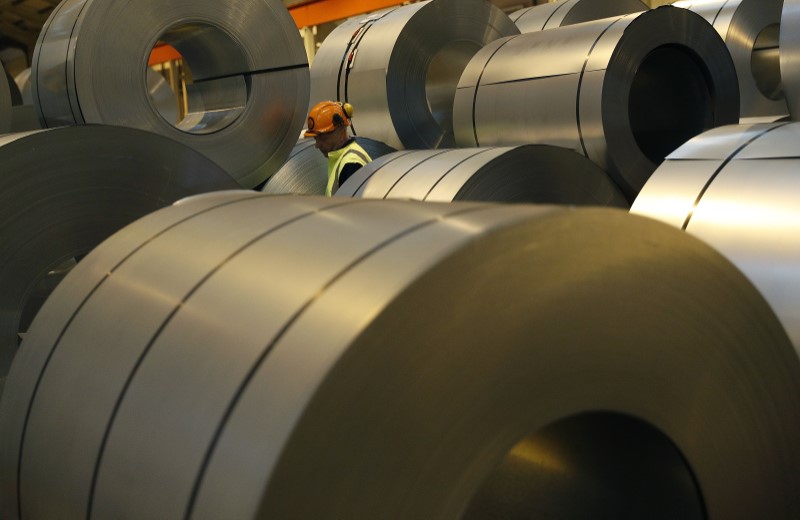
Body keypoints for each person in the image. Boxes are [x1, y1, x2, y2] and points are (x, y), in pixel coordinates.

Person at [304, 101, 372, 196]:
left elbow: (350, 209)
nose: (317, 145)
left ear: (341, 132)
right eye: (316, 139)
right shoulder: (339, 158)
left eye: (322, 138)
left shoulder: (351, 164)